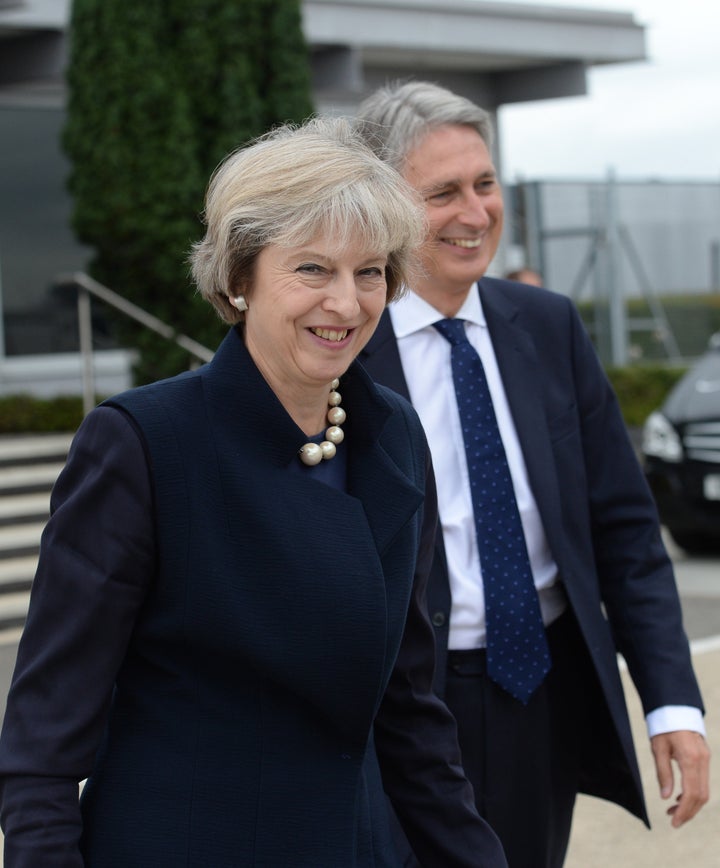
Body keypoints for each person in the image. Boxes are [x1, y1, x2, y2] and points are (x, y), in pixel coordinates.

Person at [0, 117, 508, 867]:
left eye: (369, 272)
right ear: (240, 279)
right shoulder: (143, 443)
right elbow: (43, 741)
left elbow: (406, 708)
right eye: (312, 270)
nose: (346, 303)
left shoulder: (392, 434)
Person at [356, 81, 710, 868]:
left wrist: (672, 703)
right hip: (400, 707)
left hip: (536, 695)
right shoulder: (345, 345)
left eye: (485, 185)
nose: (476, 213)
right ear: (383, 206)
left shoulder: (546, 327)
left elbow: (624, 527)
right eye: (442, 193)